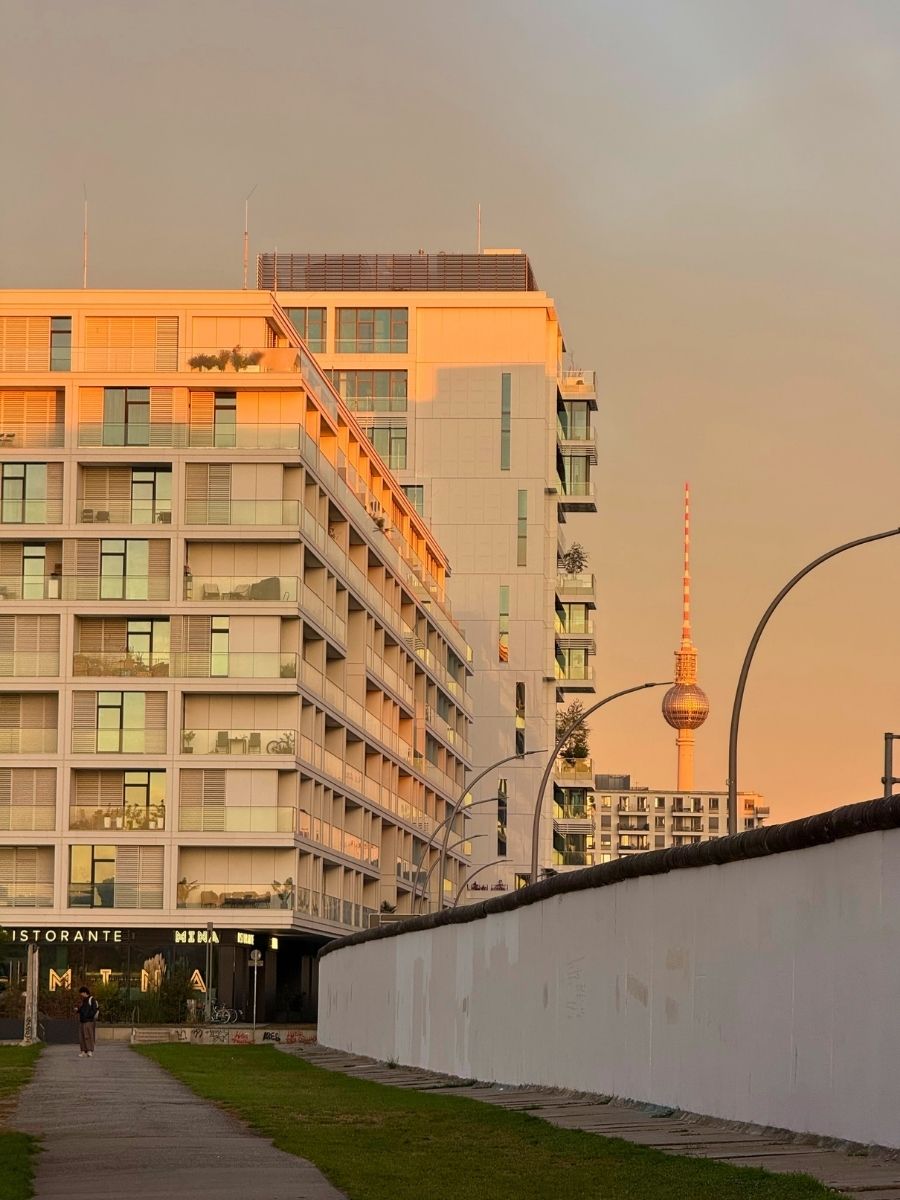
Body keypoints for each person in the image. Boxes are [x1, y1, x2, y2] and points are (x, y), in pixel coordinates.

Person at [75, 986, 99, 1057]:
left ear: (85, 992)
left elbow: (94, 1010)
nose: (81, 995)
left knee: (88, 1036)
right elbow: (82, 1009)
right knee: (82, 1036)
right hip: (82, 1021)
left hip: (88, 1021)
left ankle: (89, 1050)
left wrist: (89, 1016)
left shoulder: (91, 999)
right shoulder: (84, 1000)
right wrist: (78, 1010)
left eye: (81, 993)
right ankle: (83, 1051)